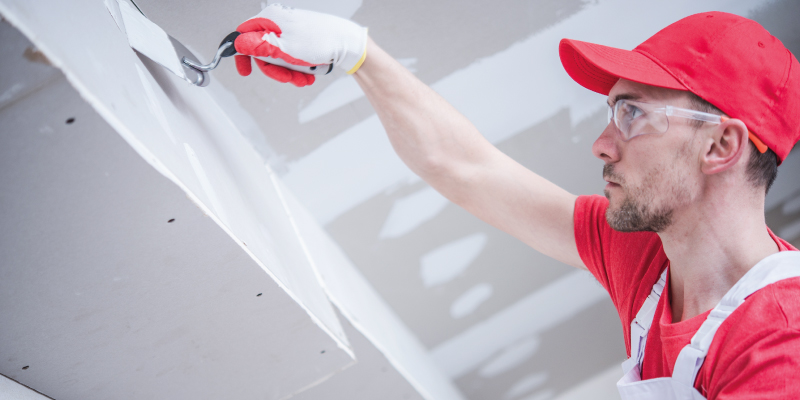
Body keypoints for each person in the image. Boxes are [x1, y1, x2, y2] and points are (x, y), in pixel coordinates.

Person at [232, 5, 800, 399]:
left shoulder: (781, 347)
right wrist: (358, 53)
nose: (601, 144)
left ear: (721, 145)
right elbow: (467, 168)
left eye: (633, 114)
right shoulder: (646, 259)